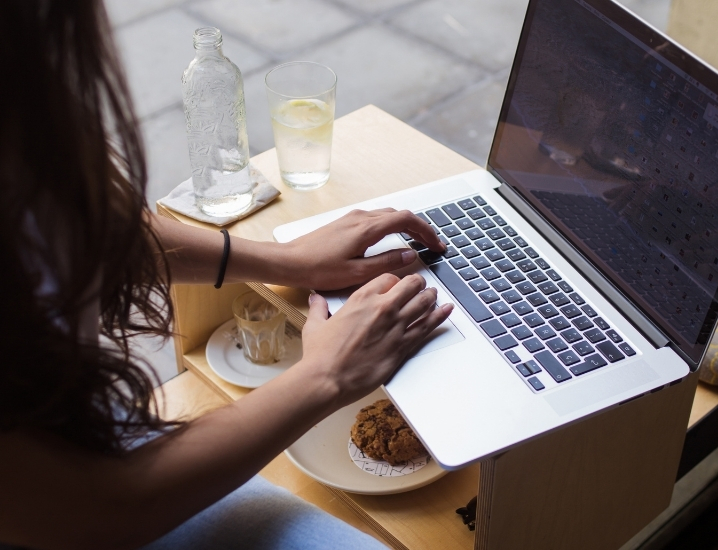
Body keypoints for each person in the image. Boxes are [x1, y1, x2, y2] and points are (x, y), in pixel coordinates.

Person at [0, 1, 452, 548]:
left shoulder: (24, 93)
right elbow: (92, 513)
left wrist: (284, 259)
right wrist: (324, 376)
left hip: (73, 433)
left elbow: (93, 230)